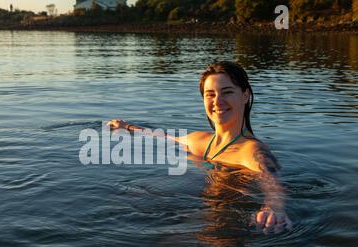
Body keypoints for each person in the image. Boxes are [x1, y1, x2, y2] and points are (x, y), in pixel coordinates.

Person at [107, 61, 292, 233]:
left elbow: (273, 180)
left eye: (227, 92)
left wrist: (273, 207)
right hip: (190, 209)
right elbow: (163, 136)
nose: (218, 101)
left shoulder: (251, 151)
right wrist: (127, 127)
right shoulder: (199, 140)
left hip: (223, 222)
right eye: (210, 94)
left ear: (245, 95)